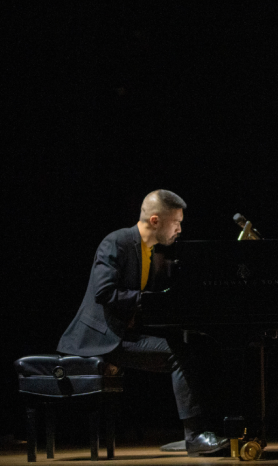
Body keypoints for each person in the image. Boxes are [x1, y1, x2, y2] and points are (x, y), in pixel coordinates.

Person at [57, 190, 229, 456]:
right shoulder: (117, 242)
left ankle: (203, 429)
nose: (180, 229)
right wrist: (149, 300)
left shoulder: (150, 251)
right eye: (176, 222)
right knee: (179, 354)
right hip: (101, 338)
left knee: (197, 347)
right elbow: (104, 293)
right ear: (156, 221)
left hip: (124, 335)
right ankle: (194, 436)